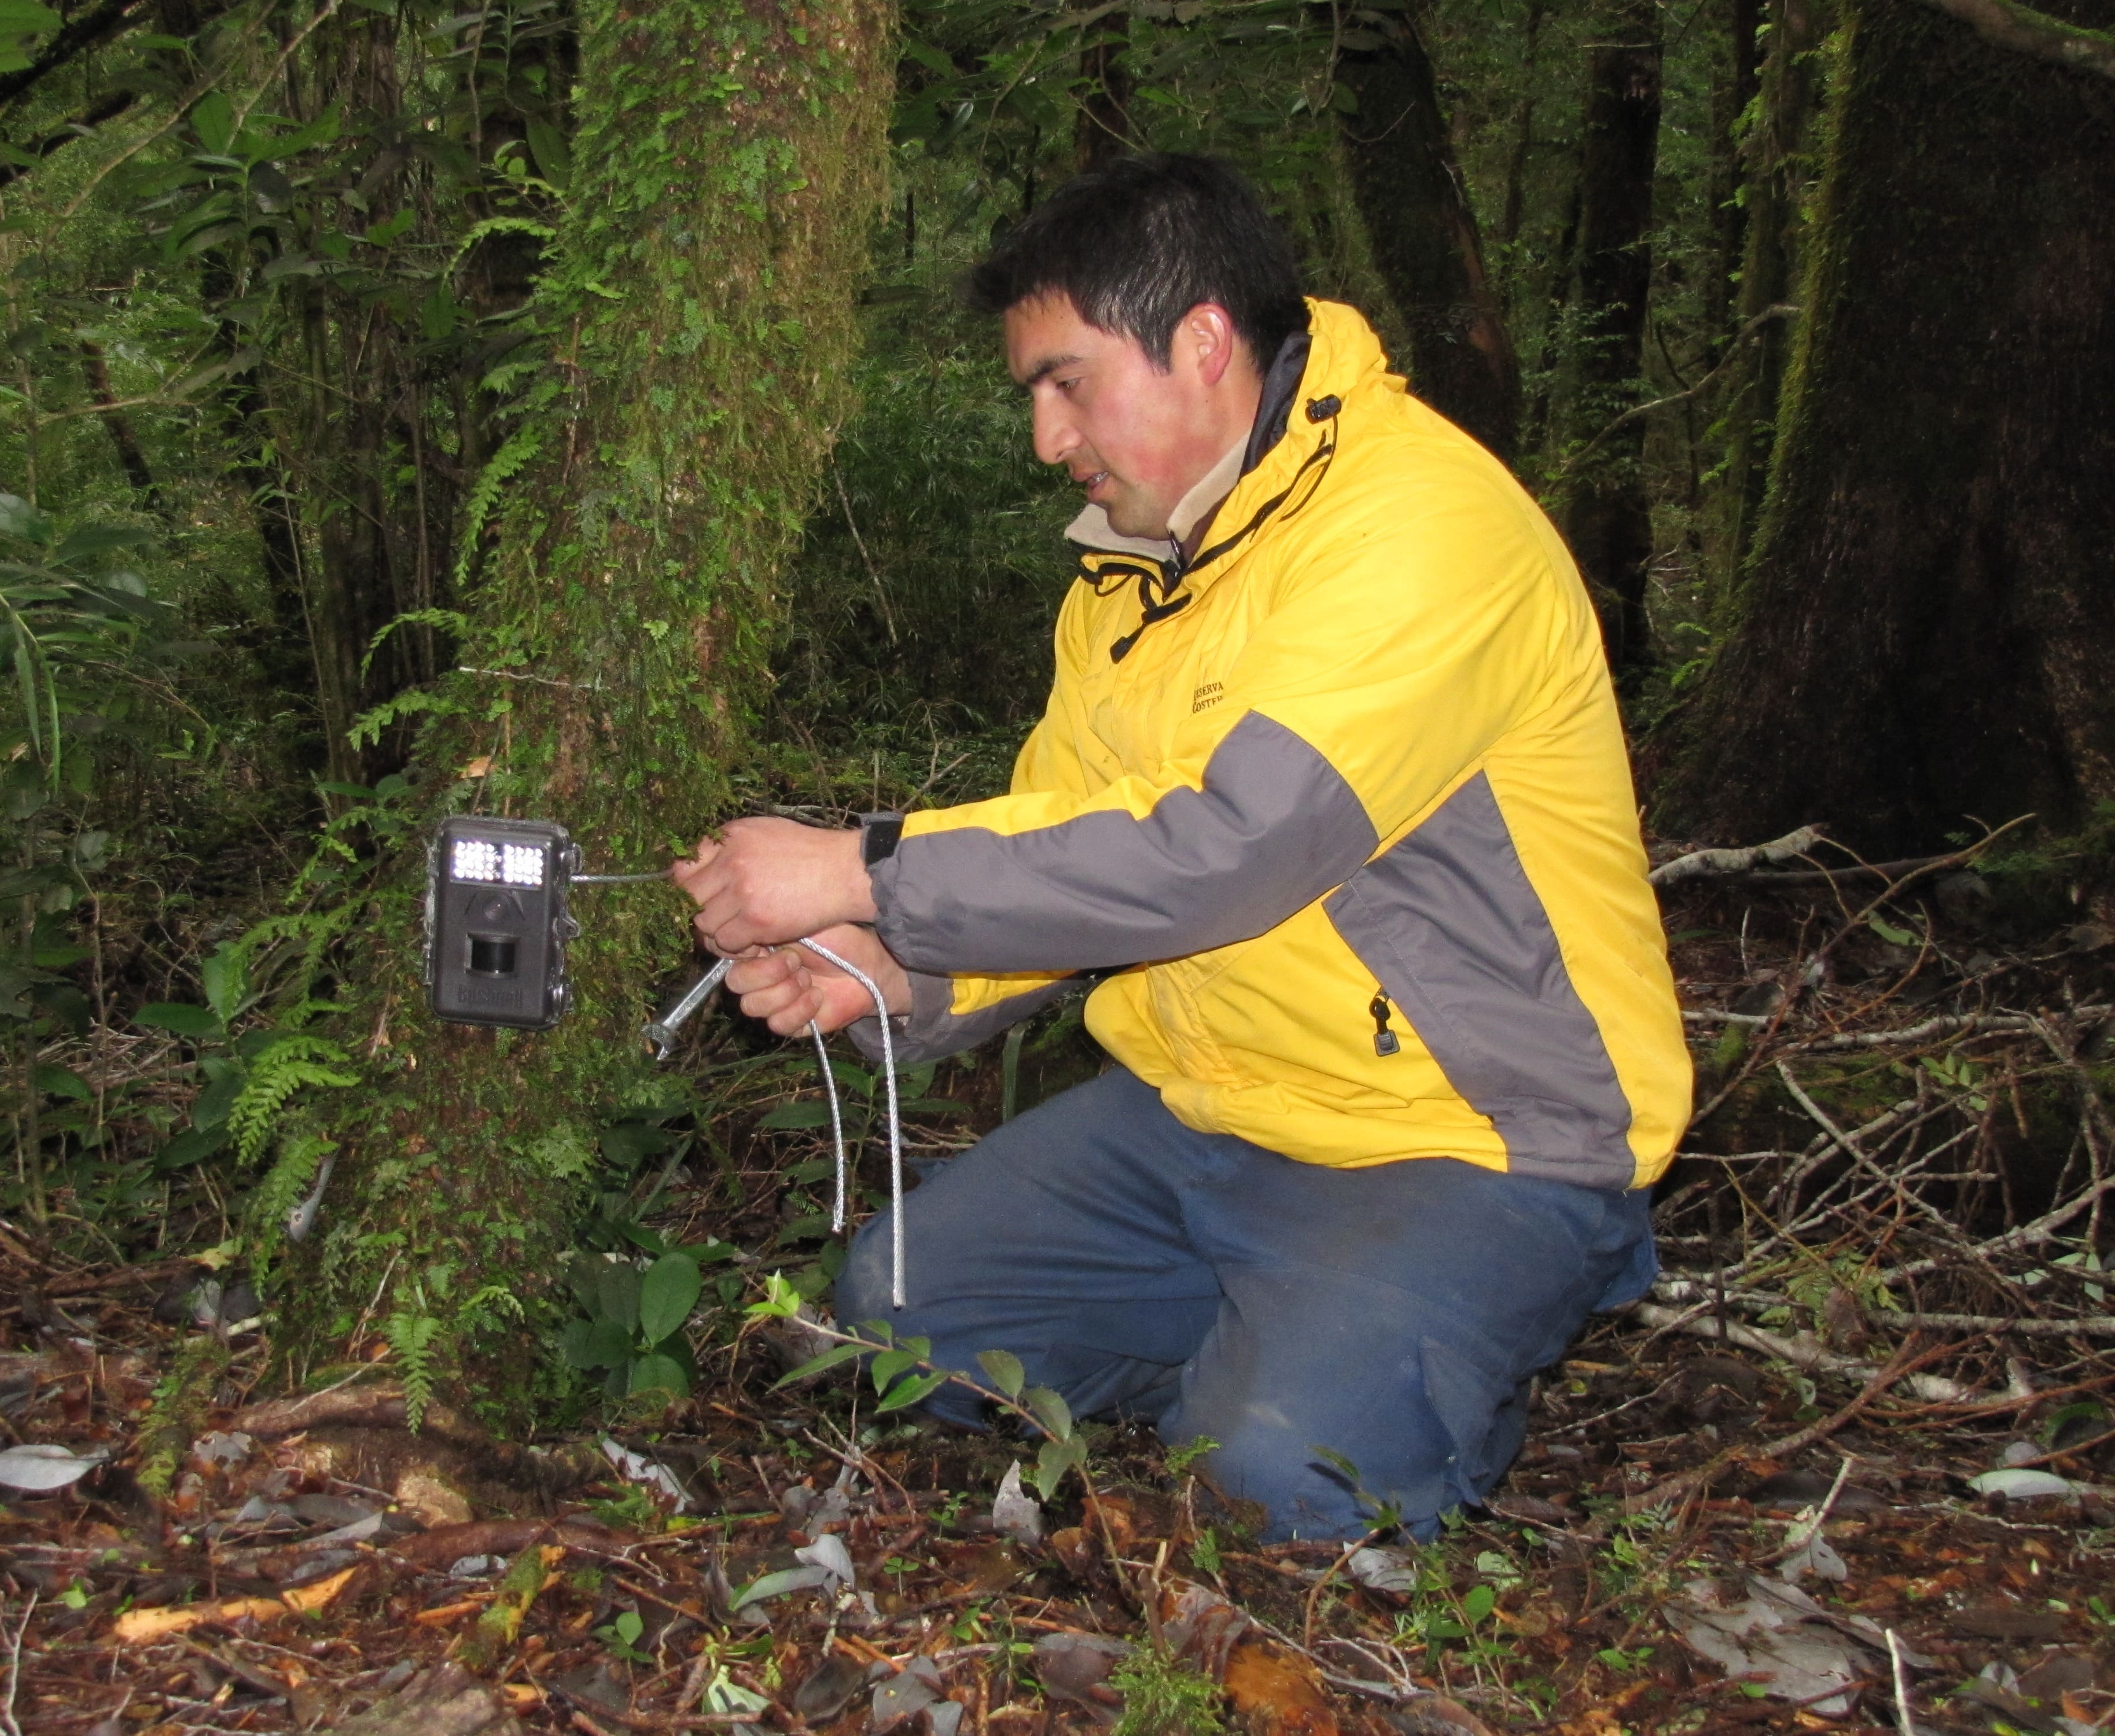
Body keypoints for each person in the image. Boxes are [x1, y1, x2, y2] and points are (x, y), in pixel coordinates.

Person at [671, 154, 1690, 1541]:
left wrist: (861, 869)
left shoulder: (1419, 530)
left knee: (1279, 1481)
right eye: (1031, 392)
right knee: (900, 1320)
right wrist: (896, 971)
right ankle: (1271, 1333)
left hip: (1462, 1141)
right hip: (1204, 1115)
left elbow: (1226, 850)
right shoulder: (1130, 574)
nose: (1044, 438)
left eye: (1065, 383)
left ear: (1201, 340)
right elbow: (1070, 852)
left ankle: (1358, 1369)